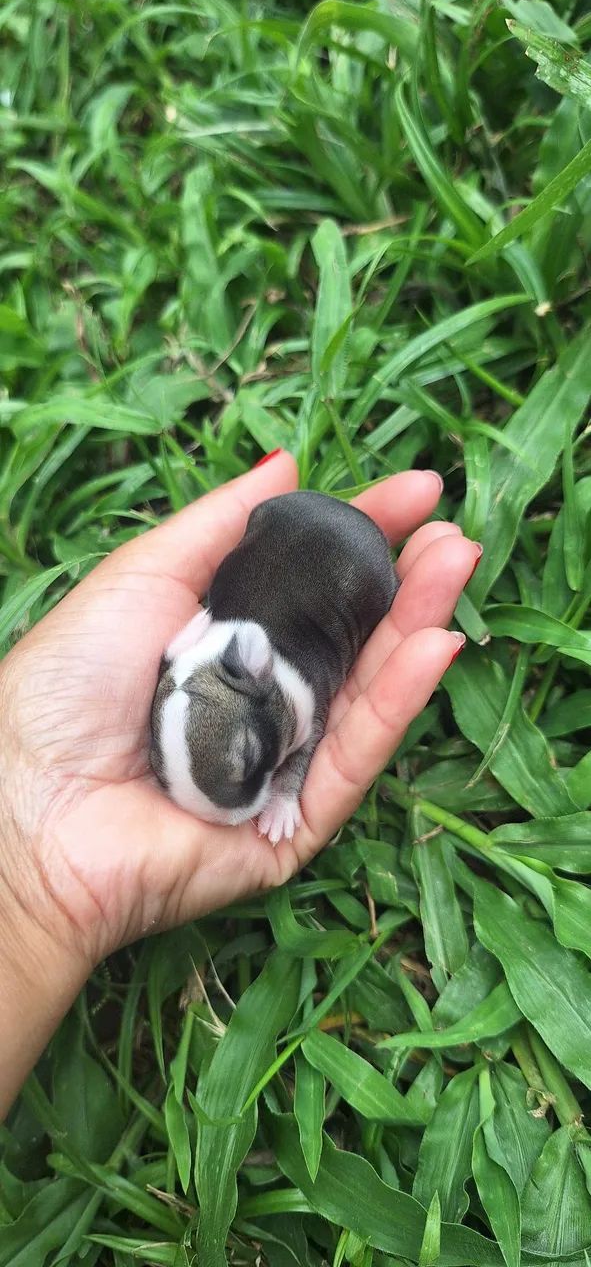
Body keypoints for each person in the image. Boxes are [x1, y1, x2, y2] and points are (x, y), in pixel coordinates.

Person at [0, 451, 480, 1118]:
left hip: (348, 570)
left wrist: (281, 791)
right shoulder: (187, 658)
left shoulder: (289, 699)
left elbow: (302, 739)